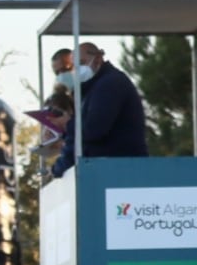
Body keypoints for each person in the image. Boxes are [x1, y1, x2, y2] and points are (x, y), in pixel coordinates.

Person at [51, 41, 148, 177]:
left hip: (120, 169)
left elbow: (94, 129)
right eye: (75, 66)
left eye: (82, 63)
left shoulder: (109, 84)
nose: (78, 70)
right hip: (110, 168)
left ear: (97, 59)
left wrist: (68, 124)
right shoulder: (93, 88)